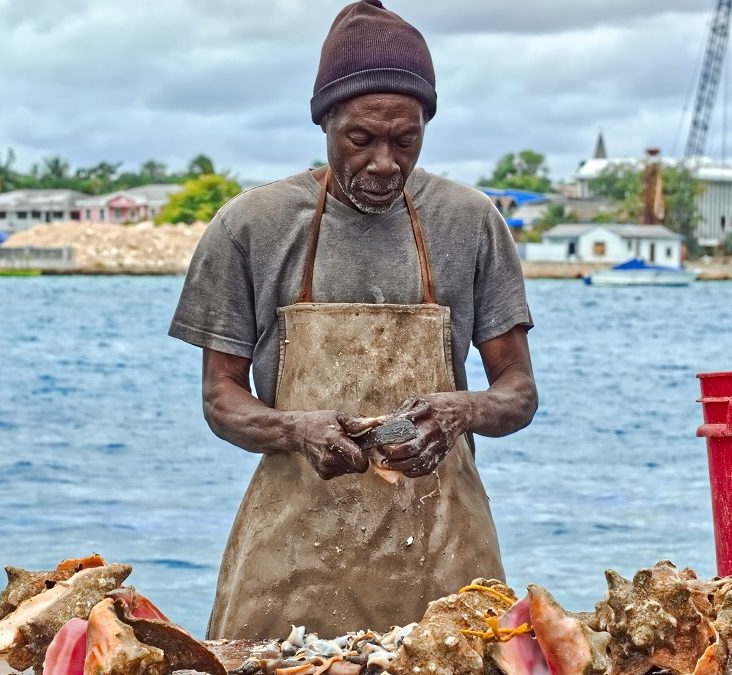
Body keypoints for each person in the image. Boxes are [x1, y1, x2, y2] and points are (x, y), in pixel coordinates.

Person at [169, 0, 537, 640]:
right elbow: (219, 397)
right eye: (360, 139)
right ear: (326, 123)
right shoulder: (250, 226)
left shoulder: (470, 221)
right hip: (294, 549)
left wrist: (458, 413)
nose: (385, 163)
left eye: (407, 139)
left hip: (444, 546)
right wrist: (295, 429)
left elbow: (518, 390)